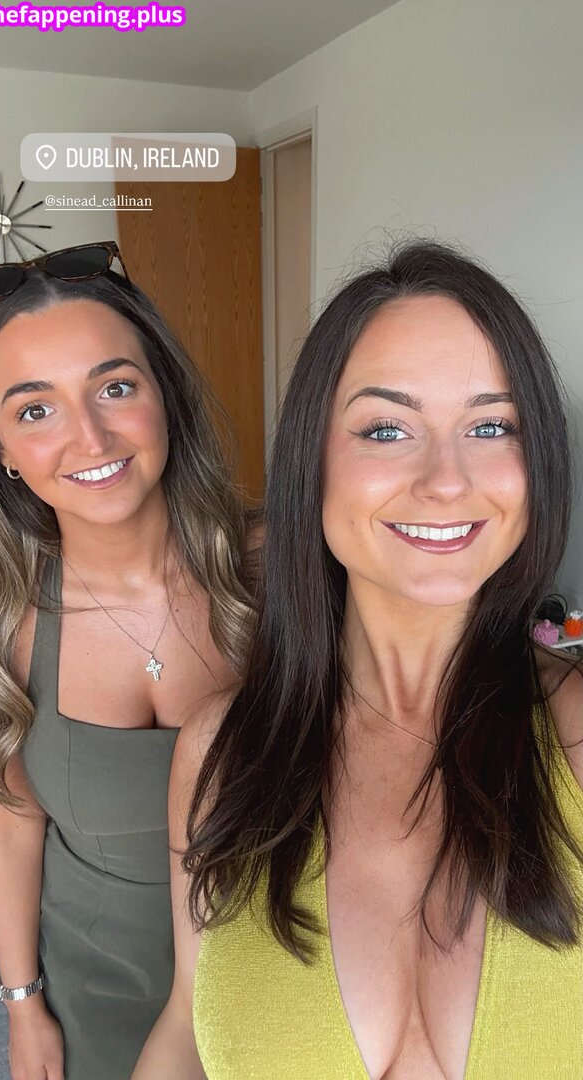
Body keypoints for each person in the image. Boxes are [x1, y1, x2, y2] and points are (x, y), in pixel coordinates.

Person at [134, 240, 583, 1080]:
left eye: (491, 425)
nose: (446, 480)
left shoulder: (575, 733)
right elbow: (186, 1024)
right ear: (313, 463)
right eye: (387, 428)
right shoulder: (219, 751)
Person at [0, 242, 254, 1080]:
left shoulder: (283, 574)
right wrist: (22, 1005)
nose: (88, 436)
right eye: (35, 410)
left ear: (163, 391)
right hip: (99, 994)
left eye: (115, 387)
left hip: (282, 975)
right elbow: (6, 819)